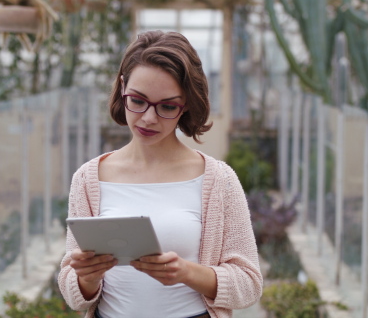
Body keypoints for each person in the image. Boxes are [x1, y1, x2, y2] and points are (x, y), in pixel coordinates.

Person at [58, 30, 262, 318]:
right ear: (122, 87)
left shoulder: (219, 180)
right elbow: (73, 291)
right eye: (138, 101)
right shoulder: (89, 179)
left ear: (187, 105)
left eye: (167, 106)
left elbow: (250, 284)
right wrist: (87, 279)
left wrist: (188, 273)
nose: (148, 118)